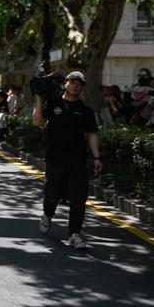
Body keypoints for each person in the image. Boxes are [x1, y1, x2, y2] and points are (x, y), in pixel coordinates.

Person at [33, 71, 102, 250]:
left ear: (82, 87)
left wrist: (96, 157)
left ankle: (74, 234)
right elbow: (37, 122)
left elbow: (92, 134)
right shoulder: (53, 104)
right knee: (53, 194)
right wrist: (39, 100)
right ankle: (48, 215)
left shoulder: (85, 111)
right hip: (55, 158)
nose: (75, 85)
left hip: (78, 160)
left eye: (79, 83)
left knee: (79, 198)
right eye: (72, 82)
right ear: (66, 83)